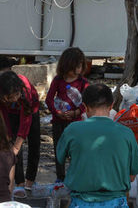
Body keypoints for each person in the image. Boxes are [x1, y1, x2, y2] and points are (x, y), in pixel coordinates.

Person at [57, 84, 138, 207]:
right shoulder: (126, 133)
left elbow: (60, 158)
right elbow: (132, 176)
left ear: (85, 107)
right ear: (111, 106)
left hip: (81, 202)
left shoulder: (72, 130)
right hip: (116, 203)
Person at [44, 47, 90, 182]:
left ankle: (75, 175)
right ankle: (60, 177)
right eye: (76, 66)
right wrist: (57, 112)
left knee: (75, 150)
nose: (78, 69)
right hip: (59, 121)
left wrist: (77, 111)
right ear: (67, 66)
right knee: (59, 149)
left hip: (76, 123)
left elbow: (86, 101)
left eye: (81, 66)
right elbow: (49, 99)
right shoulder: (58, 80)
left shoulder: (83, 82)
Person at [0, 70, 40, 193]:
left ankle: (30, 180)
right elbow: (2, 113)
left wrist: (17, 145)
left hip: (31, 111)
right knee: (13, 150)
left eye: (17, 94)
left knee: (34, 145)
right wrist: (8, 135)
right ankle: (20, 183)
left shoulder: (25, 88)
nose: (15, 98)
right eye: (11, 97)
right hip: (11, 113)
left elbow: (26, 121)